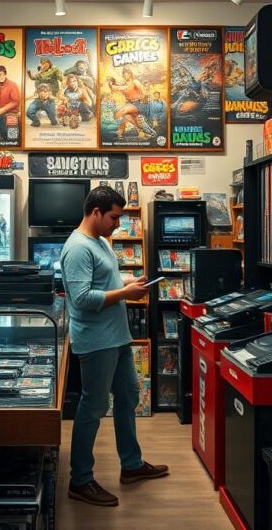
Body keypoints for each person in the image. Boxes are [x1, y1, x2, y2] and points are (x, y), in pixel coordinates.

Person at [60, 186, 168, 507]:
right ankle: (80, 480)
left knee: (128, 396)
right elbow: (81, 300)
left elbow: (105, 283)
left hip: (116, 337)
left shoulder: (100, 241)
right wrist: (126, 295)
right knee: (93, 407)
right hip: (96, 342)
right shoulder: (78, 248)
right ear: (95, 212)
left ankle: (131, 465)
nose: (118, 224)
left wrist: (129, 284)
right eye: (114, 217)